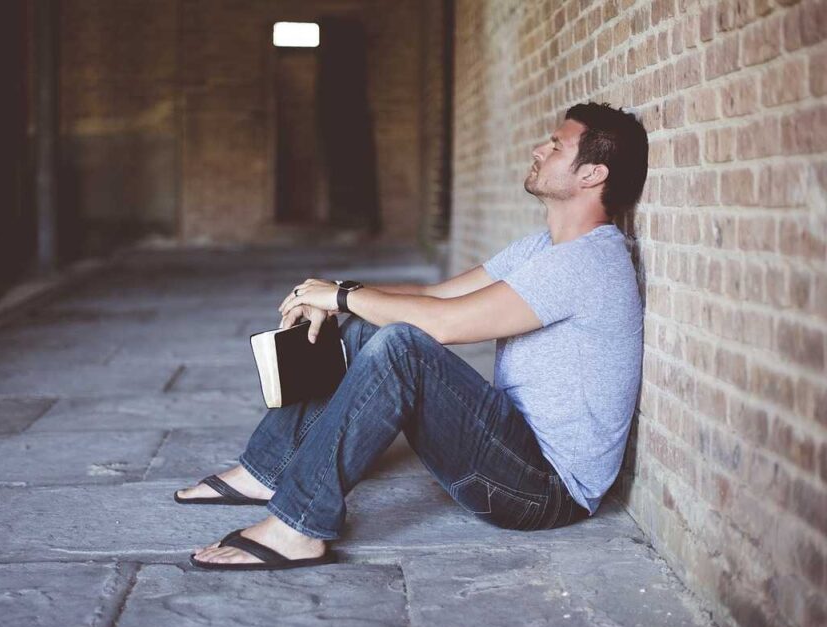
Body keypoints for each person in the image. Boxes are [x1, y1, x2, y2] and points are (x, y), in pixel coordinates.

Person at [177, 102, 648, 571]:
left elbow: (445, 325)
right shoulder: (543, 247)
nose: (537, 149)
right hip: (512, 446)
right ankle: (266, 471)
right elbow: (433, 294)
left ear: (592, 175)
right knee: (369, 325)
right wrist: (334, 295)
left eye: (555, 145)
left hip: (543, 490)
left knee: (401, 347)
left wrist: (340, 296)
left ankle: (298, 525)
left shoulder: (588, 262)